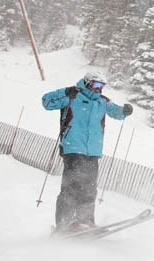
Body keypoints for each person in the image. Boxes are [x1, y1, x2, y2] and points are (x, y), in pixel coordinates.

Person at [42, 70, 133, 233]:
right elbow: (46, 102)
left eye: (102, 86)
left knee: (89, 187)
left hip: (93, 151)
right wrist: (64, 92)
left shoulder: (102, 102)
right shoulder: (72, 96)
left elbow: (116, 112)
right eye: (96, 85)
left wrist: (124, 111)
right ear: (87, 83)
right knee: (72, 187)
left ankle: (85, 222)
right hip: (73, 147)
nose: (99, 89)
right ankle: (65, 224)